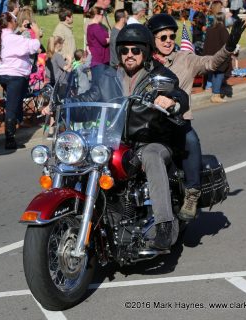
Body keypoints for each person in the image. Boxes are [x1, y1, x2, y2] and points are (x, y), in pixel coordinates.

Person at [66, 24, 189, 251]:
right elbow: (89, 100)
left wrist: (171, 101)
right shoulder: (107, 77)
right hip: (114, 141)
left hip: (152, 140)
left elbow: (178, 94)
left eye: (135, 50)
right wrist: (65, 104)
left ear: (146, 51)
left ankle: (164, 224)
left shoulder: (159, 76)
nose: (129, 55)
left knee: (151, 155)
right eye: (124, 50)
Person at [146, 14, 246, 220]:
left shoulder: (185, 59)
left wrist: (229, 45)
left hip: (176, 122)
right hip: (147, 123)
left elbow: (211, 63)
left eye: (171, 36)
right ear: (152, 39)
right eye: (162, 37)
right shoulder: (145, 62)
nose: (168, 41)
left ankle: (192, 193)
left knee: (191, 139)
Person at [0, 12, 40, 149]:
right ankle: (9, 139)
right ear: (9, 23)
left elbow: (10, 37)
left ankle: (16, 122)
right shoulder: (14, 39)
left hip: (2, 74)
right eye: (14, 21)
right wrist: (36, 33)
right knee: (12, 106)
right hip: (15, 75)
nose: (16, 23)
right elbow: (34, 46)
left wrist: (21, 30)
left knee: (15, 101)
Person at [203, 12, 230, 103]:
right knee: (219, 74)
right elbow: (227, 44)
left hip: (209, 55)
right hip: (219, 56)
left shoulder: (209, 29)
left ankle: (210, 88)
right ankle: (215, 95)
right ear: (223, 19)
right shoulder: (223, 29)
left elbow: (206, 43)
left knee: (212, 73)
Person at [86, 6, 110, 83]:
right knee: (99, 83)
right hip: (99, 59)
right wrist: (110, 38)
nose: (102, 17)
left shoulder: (91, 26)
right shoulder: (96, 27)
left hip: (97, 59)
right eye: (102, 15)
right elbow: (104, 41)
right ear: (97, 15)